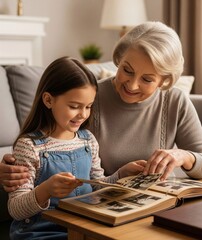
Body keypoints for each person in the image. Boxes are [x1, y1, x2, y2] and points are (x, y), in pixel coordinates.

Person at [1, 21, 202, 191]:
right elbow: (45, 146)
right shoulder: (90, 97)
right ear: (119, 59)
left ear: (164, 80)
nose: (132, 85)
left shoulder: (175, 100)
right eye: (127, 70)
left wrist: (183, 156)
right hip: (100, 204)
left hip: (156, 206)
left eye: (147, 79)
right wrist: (15, 166)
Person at [7, 56, 145, 240]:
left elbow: (97, 187)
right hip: (41, 232)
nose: (83, 114)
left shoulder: (88, 140)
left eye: (88, 106)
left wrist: (121, 175)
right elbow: (16, 209)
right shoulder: (29, 146)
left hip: (82, 226)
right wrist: (45, 190)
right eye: (74, 106)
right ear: (48, 100)